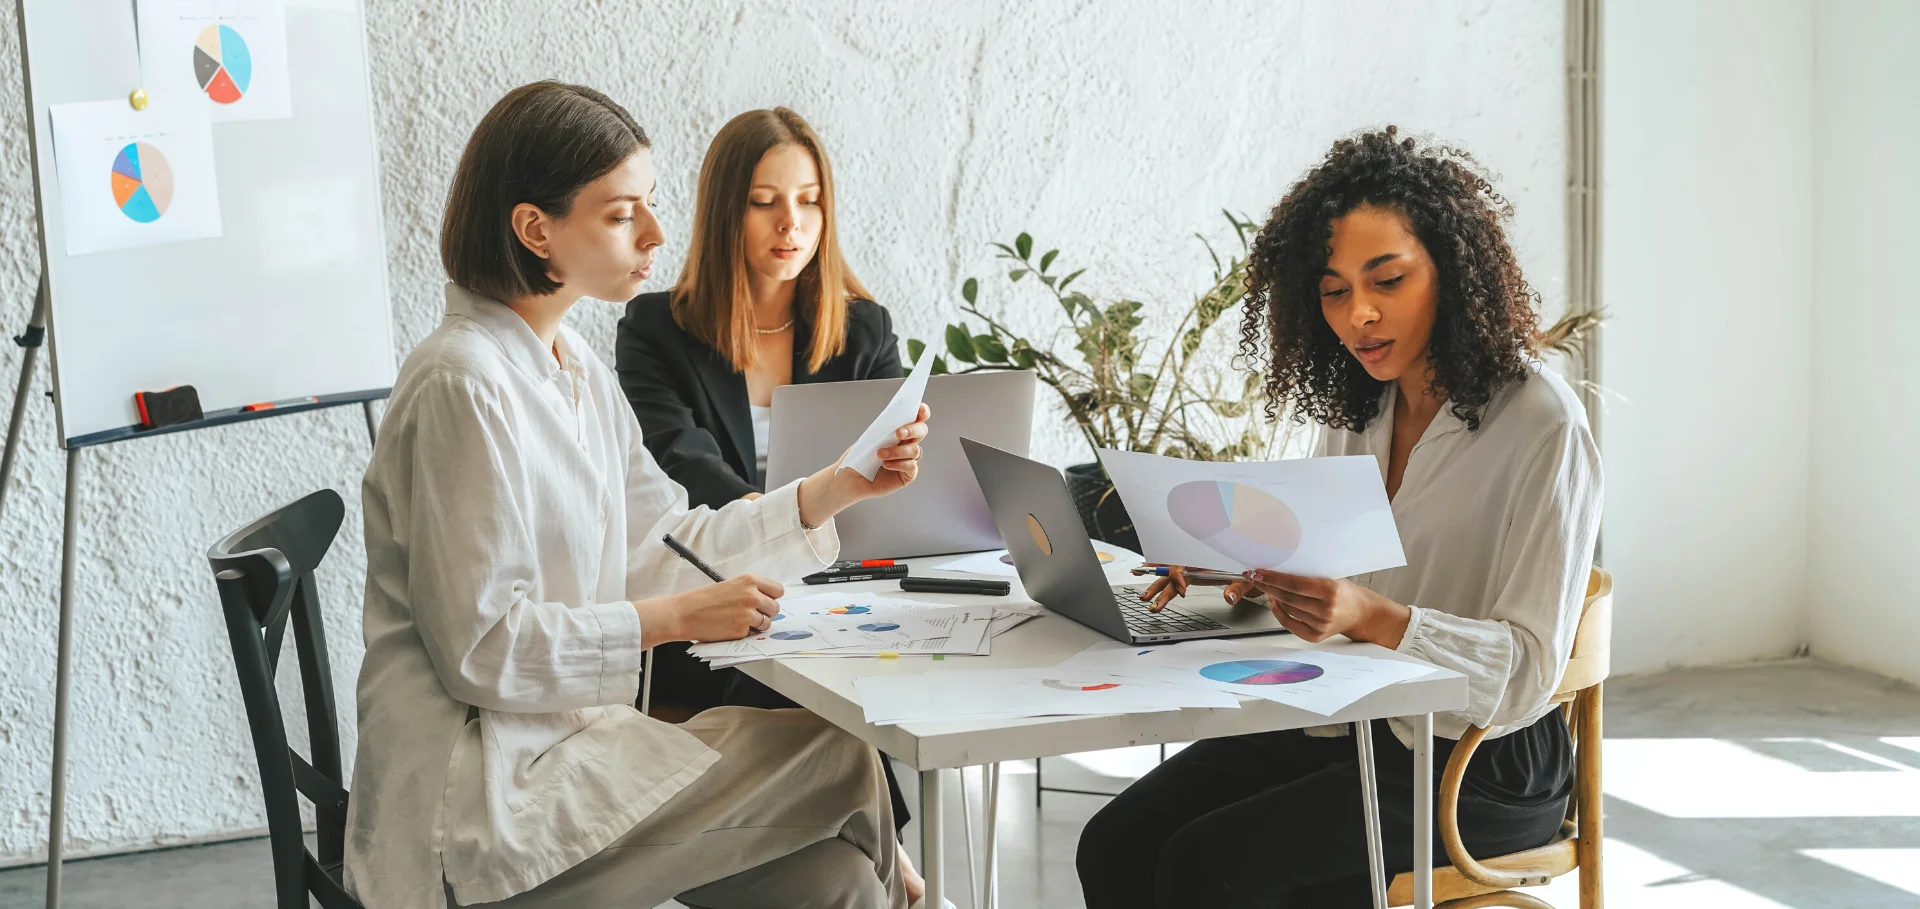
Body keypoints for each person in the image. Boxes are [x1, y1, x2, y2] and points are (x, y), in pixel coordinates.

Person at [344, 81, 931, 909]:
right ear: (534, 229)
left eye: (651, 206)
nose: (658, 234)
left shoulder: (571, 367)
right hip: (481, 808)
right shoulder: (461, 384)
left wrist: (828, 493)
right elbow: (481, 648)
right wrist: (680, 618)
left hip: (572, 759)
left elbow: (668, 539)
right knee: (840, 754)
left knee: (834, 884)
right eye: (623, 215)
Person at [1075, 126, 1603, 908]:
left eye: (1387, 280)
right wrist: (1237, 558)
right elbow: (1334, 559)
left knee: (1207, 868)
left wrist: (1373, 615)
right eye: (1332, 291)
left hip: (1477, 761)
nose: (1359, 314)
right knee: (1115, 844)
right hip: (1349, 716)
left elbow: (1526, 671)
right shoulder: (1362, 406)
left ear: (1452, 273)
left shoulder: (1541, 424)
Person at [614, 109, 900, 707]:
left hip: (843, 586)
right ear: (726, 213)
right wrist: (778, 526)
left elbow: (884, 476)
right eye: (764, 201)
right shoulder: (654, 329)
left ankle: (875, 799)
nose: (791, 223)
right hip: (718, 586)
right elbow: (681, 459)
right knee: (814, 707)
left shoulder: (865, 330)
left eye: (809, 201)